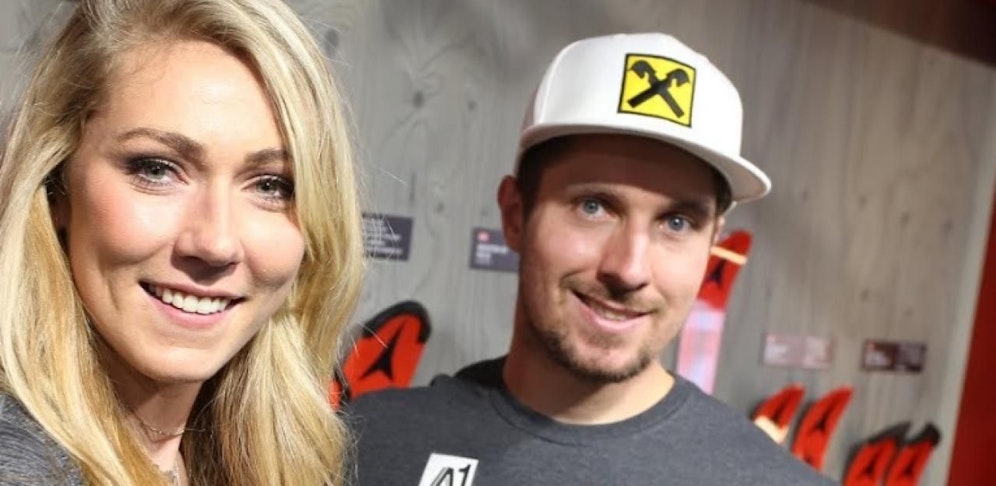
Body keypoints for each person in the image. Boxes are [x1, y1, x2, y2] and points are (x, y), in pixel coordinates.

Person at [349, 33, 838, 485]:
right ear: (516, 215)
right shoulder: (363, 446)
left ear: (713, 243)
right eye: (594, 207)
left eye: (677, 222)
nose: (629, 269)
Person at [0, 0, 364, 484]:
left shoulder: (283, 459)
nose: (216, 243)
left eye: (271, 185)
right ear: (57, 183)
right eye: (156, 169)